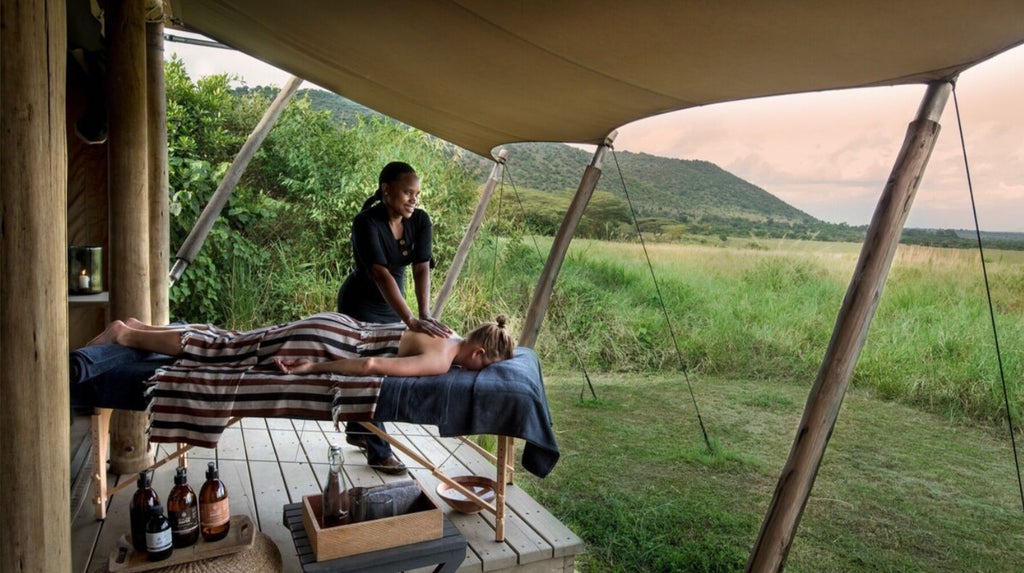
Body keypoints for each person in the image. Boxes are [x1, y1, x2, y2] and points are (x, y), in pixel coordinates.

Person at [336, 161, 451, 473]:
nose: (413, 199)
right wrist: (411, 320)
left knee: (384, 371)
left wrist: (424, 314)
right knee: (370, 373)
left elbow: (421, 267)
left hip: (393, 308)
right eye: (407, 192)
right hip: (359, 306)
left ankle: (359, 431)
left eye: (416, 193)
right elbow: (380, 274)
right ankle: (379, 450)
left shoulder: (420, 220)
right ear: (386, 190)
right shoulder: (366, 222)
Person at [88, 312, 515, 380]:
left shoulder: (449, 332)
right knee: (227, 351)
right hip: (331, 342)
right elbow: (369, 368)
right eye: (486, 365)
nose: (479, 371)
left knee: (236, 339)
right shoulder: (442, 360)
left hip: (337, 323)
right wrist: (313, 369)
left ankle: (139, 326)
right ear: (478, 353)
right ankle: (125, 336)